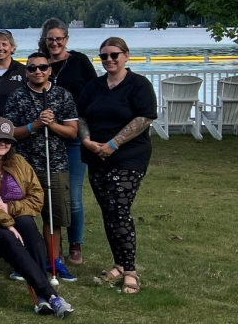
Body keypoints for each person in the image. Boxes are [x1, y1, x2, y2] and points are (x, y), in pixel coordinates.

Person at [0, 118, 74, 317]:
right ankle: (51, 295)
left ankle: (44, 298)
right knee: (10, 239)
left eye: (8, 140)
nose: (3, 143)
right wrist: (8, 223)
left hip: (12, 217)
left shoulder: (18, 162)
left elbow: (37, 197)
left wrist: (10, 208)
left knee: (30, 231)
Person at [77, 37, 156, 295]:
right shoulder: (95, 86)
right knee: (108, 211)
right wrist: (87, 140)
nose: (109, 60)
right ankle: (119, 264)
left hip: (129, 157)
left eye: (114, 55)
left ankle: (131, 271)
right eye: (104, 56)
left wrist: (113, 143)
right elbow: (82, 116)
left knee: (119, 208)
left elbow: (144, 118)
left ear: (126, 55)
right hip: (96, 156)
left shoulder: (138, 85)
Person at [4, 52, 80, 282]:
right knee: (21, 216)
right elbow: (10, 133)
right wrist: (35, 125)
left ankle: (54, 261)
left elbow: (72, 131)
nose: (38, 71)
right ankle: (25, 261)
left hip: (55, 164)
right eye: (32, 68)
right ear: (26, 72)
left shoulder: (62, 96)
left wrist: (52, 124)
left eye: (42, 67)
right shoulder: (17, 96)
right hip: (22, 166)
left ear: (49, 70)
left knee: (53, 217)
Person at [38, 18, 97, 265]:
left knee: (72, 194)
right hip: (44, 138)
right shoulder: (38, 64)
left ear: (66, 39)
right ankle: (53, 247)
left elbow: (95, 91)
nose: (54, 43)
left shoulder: (80, 62)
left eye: (58, 39)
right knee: (47, 195)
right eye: (50, 39)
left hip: (74, 136)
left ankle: (76, 244)